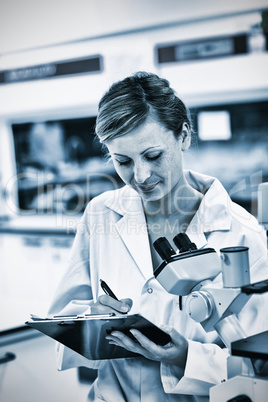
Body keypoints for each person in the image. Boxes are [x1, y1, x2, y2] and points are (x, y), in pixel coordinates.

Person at [48, 72, 268, 401]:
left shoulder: (240, 232)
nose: (141, 176)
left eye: (153, 156)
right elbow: (61, 330)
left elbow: (259, 371)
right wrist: (94, 319)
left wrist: (185, 358)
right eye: (122, 161)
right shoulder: (100, 213)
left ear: (184, 136)